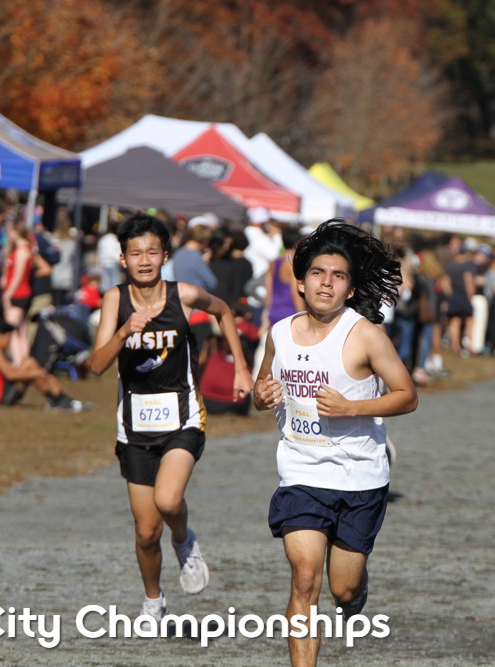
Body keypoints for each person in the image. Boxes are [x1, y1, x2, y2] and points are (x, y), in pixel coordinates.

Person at [252, 219, 418, 667]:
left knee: (343, 588)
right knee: (305, 580)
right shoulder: (279, 333)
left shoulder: (365, 335)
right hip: (301, 472)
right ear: (301, 282)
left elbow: (407, 396)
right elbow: (261, 389)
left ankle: (355, 594)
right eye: (318, 273)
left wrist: (351, 408)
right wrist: (260, 396)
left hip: (359, 477)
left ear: (350, 288)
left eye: (338, 275)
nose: (326, 282)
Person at [90, 213, 253, 623]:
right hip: (134, 426)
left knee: (167, 500)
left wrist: (241, 367)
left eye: (152, 252)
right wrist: (124, 332)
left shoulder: (185, 295)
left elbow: (224, 312)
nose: (144, 260)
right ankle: (153, 601)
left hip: (182, 416)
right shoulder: (115, 300)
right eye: (135, 253)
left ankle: (184, 540)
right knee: (146, 532)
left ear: (165, 256)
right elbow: (96, 365)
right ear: (123, 259)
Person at [0, 320, 87, 411]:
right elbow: (10, 375)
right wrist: (38, 373)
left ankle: (57, 399)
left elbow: (8, 370)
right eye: (8, 337)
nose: (9, 342)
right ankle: (58, 399)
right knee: (31, 368)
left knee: (29, 363)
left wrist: (37, 372)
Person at [0, 220, 34, 364]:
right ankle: (23, 361)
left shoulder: (22, 250)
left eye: (10, 231)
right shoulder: (19, 249)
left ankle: (18, 362)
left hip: (18, 293)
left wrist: (8, 294)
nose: (8, 234)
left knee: (12, 330)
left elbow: (18, 276)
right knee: (20, 330)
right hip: (18, 292)